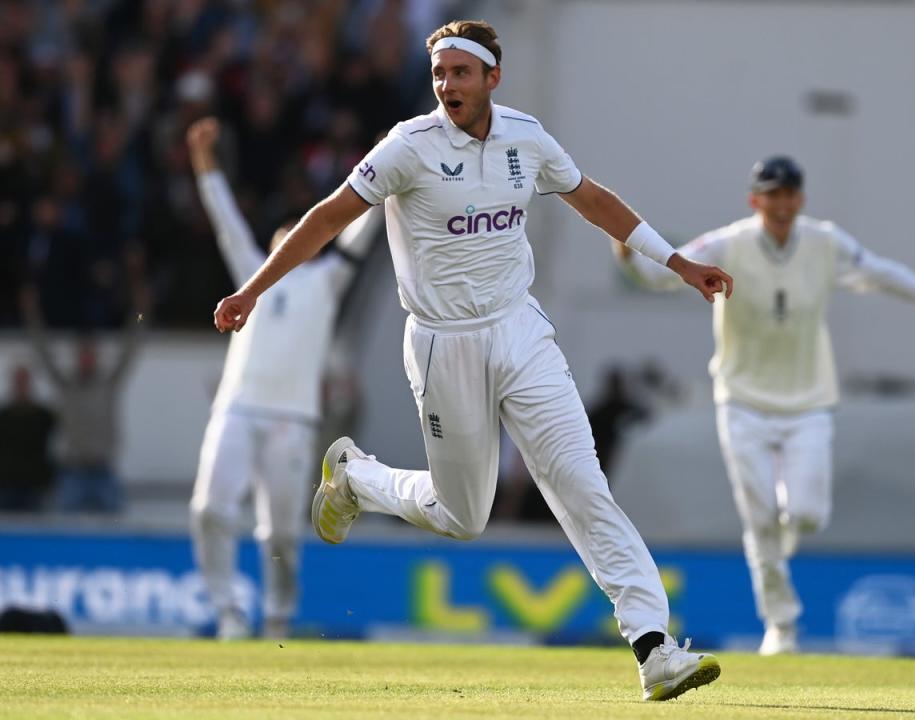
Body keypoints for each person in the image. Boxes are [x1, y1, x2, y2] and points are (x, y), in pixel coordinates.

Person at [213, 20, 732, 700]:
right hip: (442, 342)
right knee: (465, 517)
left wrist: (677, 262)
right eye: (439, 74)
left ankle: (653, 648)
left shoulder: (526, 135)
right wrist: (254, 290)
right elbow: (328, 216)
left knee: (582, 484)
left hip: (520, 331)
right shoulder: (408, 145)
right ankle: (359, 480)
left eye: (461, 72)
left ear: (493, 77)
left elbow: (593, 200)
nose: (447, 85)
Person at [615, 155, 915, 655]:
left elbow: (880, 273)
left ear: (800, 199)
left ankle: (787, 530)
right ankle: (781, 626)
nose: (780, 205)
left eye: (788, 195)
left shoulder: (824, 242)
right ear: (755, 200)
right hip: (742, 400)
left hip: (808, 403)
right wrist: (629, 257)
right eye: (770, 195)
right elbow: (670, 272)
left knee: (807, 513)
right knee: (758, 521)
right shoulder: (727, 243)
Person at [186, 117, 378, 640]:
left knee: (280, 534)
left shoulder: (327, 280)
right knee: (209, 509)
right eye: (282, 237)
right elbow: (227, 222)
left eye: (298, 237)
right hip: (239, 408)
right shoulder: (254, 272)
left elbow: (362, 228)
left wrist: (383, 169)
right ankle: (227, 611)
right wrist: (206, 166)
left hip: (293, 419)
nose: (288, 243)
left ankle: (276, 618)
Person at [20, 284, 147, 513]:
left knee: (121, 528)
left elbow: (131, 347)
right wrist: (31, 314)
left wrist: (141, 311)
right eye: (83, 354)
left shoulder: (108, 384)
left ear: (96, 358)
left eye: (91, 354)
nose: (86, 359)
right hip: (72, 474)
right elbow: (42, 351)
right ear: (78, 358)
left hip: (104, 472)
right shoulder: (67, 385)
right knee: (63, 530)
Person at [0, 365, 58, 512]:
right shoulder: (4, 416)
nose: (21, 386)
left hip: (36, 486)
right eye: (18, 382)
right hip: (7, 484)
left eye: (24, 381)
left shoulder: (44, 415)